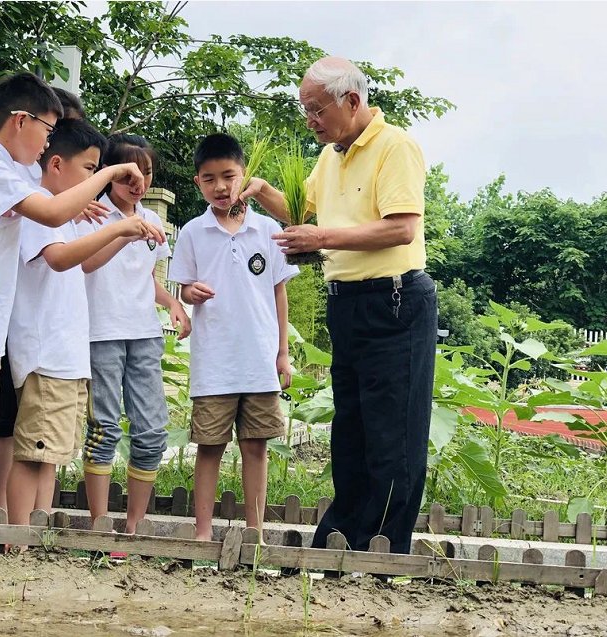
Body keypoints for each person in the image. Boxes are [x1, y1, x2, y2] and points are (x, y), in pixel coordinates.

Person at [238, 56, 437, 554]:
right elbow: (304, 216)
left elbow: (401, 227)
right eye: (305, 109)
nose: (310, 120)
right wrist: (264, 193)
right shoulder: (331, 156)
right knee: (351, 428)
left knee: (393, 430)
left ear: (352, 100)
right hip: (346, 302)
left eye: (316, 109)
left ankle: (385, 544)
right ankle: (342, 537)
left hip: (394, 302)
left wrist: (322, 236)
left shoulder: (396, 147)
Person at [0, 73, 146, 521]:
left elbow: (50, 202)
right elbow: (48, 211)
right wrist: (107, 172)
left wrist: (78, 195)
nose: (47, 145)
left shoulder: (3, 170)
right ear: (20, 121)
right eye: (47, 130)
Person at [5, 118, 165, 525]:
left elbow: (110, 267)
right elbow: (65, 261)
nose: (94, 181)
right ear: (57, 164)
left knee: (50, 455)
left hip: (70, 352)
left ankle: (34, 531)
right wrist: (120, 228)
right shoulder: (49, 211)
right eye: (93, 170)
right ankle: (21, 534)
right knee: (39, 452)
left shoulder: (67, 213)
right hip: (56, 351)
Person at [168, 133, 298, 541]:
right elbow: (183, 288)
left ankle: (255, 533)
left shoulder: (267, 229)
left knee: (255, 447)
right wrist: (190, 293)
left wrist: (283, 354)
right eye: (210, 179)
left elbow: (279, 292)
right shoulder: (192, 232)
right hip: (215, 362)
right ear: (198, 184)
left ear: (244, 176)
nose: (221, 187)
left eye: (229, 176)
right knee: (208, 447)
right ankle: (203, 534)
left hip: (259, 359)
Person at [80, 134, 192, 534]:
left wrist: (173, 303)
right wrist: (124, 230)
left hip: (144, 334)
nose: (138, 182)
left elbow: (146, 279)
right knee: (104, 427)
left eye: (145, 172)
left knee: (151, 430)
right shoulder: (91, 214)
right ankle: (99, 524)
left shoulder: (154, 220)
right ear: (110, 175)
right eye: (128, 174)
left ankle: (134, 527)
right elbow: (87, 264)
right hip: (102, 333)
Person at [0, 87, 86, 511]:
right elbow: (51, 237)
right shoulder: (19, 177)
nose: (49, 141)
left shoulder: (49, 186)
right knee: (4, 427)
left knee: (31, 439)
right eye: (55, 130)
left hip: (34, 323)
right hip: (9, 320)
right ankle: (1, 517)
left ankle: (21, 522)